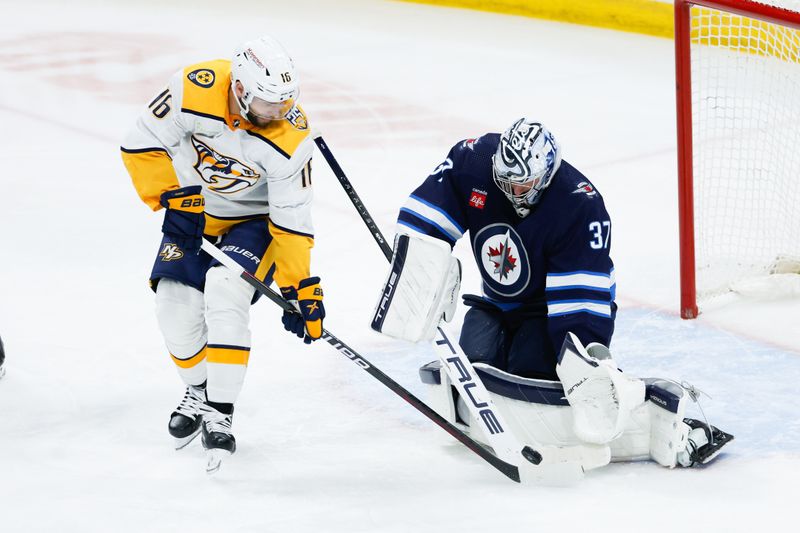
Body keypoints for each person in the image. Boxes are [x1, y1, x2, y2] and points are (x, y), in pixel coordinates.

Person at [371, 118, 732, 471]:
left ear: (545, 174)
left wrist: (587, 357)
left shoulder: (579, 204)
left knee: (534, 374)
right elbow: (425, 219)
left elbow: (580, 299)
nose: (513, 193)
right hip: (495, 305)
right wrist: (420, 267)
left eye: (523, 184)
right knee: (475, 363)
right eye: (506, 183)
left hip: (548, 311)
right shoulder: (475, 161)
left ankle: (626, 404)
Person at [120, 35, 325, 472]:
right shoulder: (195, 87)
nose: (280, 114)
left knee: (224, 290)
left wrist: (300, 287)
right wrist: (172, 198)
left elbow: (292, 220)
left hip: (256, 223)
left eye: (286, 102)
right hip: (194, 210)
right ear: (240, 91)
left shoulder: (291, 138)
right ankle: (200, 390)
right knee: (172, 304)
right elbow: (139, 142)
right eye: (269, 105)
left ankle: (221, 414)